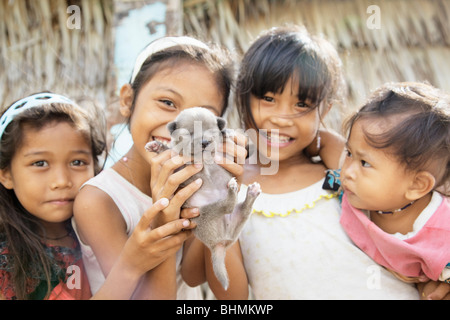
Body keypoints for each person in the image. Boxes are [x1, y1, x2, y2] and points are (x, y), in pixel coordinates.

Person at [183, 25, 422, 299]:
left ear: (325, 109)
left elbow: (405, 231)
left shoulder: (337, 178)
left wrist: (326, 142)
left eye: (301, 105)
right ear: (243, 98)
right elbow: (219, 290)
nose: (282, 118)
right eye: (268, 99)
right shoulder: (230, 187)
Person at [72, 36, 246, 299]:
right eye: (167, 103)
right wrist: (164, 217)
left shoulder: (194, 186)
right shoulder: (98, 201)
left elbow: (200, 278)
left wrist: (222, 193)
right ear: (128, 101)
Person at [0, 92, 193, 300]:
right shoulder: (8, 259)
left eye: (77, 162)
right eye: (40, 164)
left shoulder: (100, 225)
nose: (62, 181)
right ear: (6, 174)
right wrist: (129, 266)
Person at [338, 82, 450, 299]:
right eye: (349, 153)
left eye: (365, 163)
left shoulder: (442, 235)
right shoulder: (353, 191)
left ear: (417, 185)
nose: (347, 171)